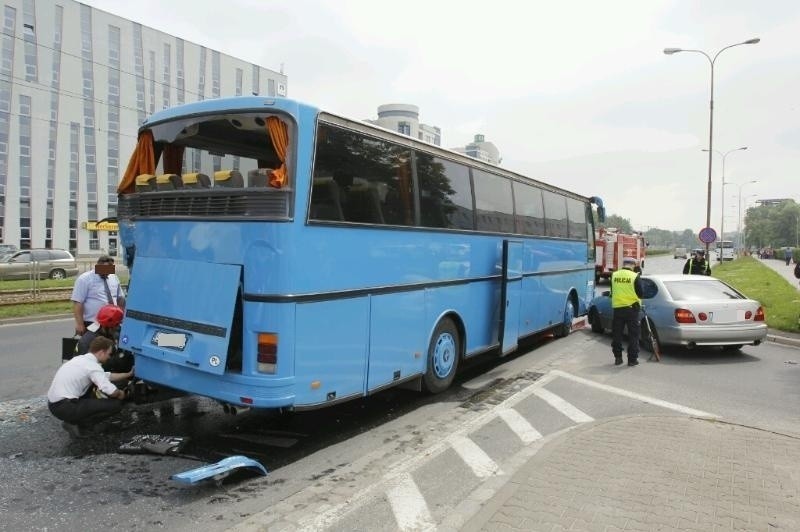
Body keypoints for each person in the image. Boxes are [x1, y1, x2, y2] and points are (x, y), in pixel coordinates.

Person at [47, 336, 134, 438]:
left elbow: (107, 376)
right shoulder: (92, 367)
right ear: (101, 352)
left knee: (93, 390)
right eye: (109, 354)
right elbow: (110, 390)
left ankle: (74, 420)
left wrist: (128, 374)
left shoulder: (81, 360)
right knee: (116, 405)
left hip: (54, 404)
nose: (109, 357)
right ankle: (81, 425)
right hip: (65, 407)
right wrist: (121, 394)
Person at [71, 255, 126, 336]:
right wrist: (79, 324)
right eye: (105, 269)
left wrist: (122, 316)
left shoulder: (113, 277)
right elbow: (78, 302)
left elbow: (120, 298)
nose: (107, 273)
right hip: (93, 323)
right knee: (94, 345)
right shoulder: (85, 279)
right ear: (98, 266)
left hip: (112, 322)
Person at [610, 256, 644, 367]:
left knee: (617, 334)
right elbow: (640, 293)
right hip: (632, 310)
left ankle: (618, 358)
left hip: (618, 310)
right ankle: (632, 360)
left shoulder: (614, 275)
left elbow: (612, 292)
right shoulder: (635, 276)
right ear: (633, 265)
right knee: (633, 335)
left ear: (623, 264)